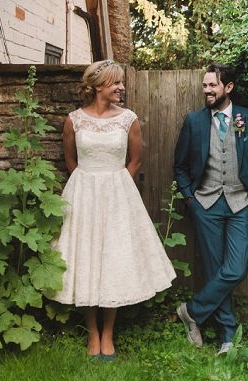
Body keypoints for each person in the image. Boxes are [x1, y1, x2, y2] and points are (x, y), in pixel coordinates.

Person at [51, 59, 176, 360]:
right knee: (85, 259)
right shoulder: (74, 120)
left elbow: (135, 160)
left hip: (118, 196)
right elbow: (71, 160)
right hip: (83, 194)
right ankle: (92, 332)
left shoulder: (128, 119)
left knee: (112, 260)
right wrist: (88, 184)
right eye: (115, 82)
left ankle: (108, 333)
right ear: (97, 86)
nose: (122, 87)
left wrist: (116, 186)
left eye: (121, 82)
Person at [174, 63, 248, 354]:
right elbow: (179, 166)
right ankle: (227, 338)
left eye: (212, 85)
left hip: (243, 203)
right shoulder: (194, 121)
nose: (207, 90)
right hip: (206, 204)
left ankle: (191, 312)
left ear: (228, 88)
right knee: (217, 268)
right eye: (204, 86)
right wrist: (191, 198)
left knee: (235, 268)